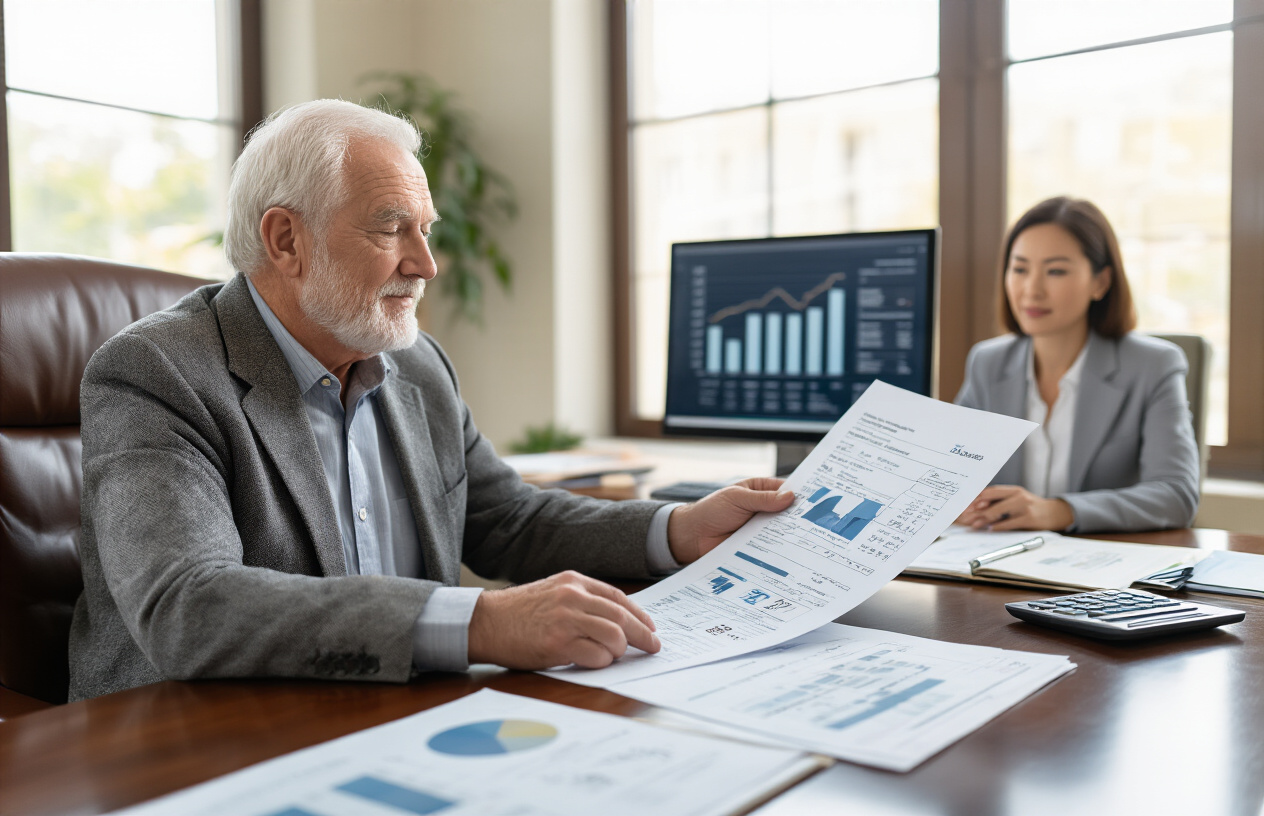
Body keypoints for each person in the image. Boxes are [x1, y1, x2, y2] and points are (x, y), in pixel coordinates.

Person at [67, 99, 794, 701]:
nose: (427, 264)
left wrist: (677, 530)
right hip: (189, 739)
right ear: (286, 240)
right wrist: (480, 623)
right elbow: (188, 607)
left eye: (426, 230)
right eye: (392, 228)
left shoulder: (414, 364)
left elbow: (508, 521)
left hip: (391, 714)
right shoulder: (155, 372)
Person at [954, 196, 1199, 534]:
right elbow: (949, 474)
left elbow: (1176, 495)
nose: (1031, 290)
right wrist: (957, 502)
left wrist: (1059, 512)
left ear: (1100, 282)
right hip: (993, 563)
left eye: (1055, 271)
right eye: (1020, 269)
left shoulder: (1153, 366)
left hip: (1099, 570)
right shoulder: (987, 363)